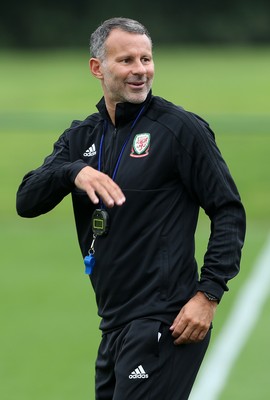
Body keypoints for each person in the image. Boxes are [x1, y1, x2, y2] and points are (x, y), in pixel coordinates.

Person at [16, 17, 246, 400]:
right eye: (126, 61)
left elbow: (228, 211)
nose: (140, 70)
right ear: (97, 68)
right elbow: (26, 201)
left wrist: (208, 295)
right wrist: (74, 172)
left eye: (146, 59)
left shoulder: (180, 129)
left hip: (165, 321)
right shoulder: (82, 137)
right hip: (114, 324)